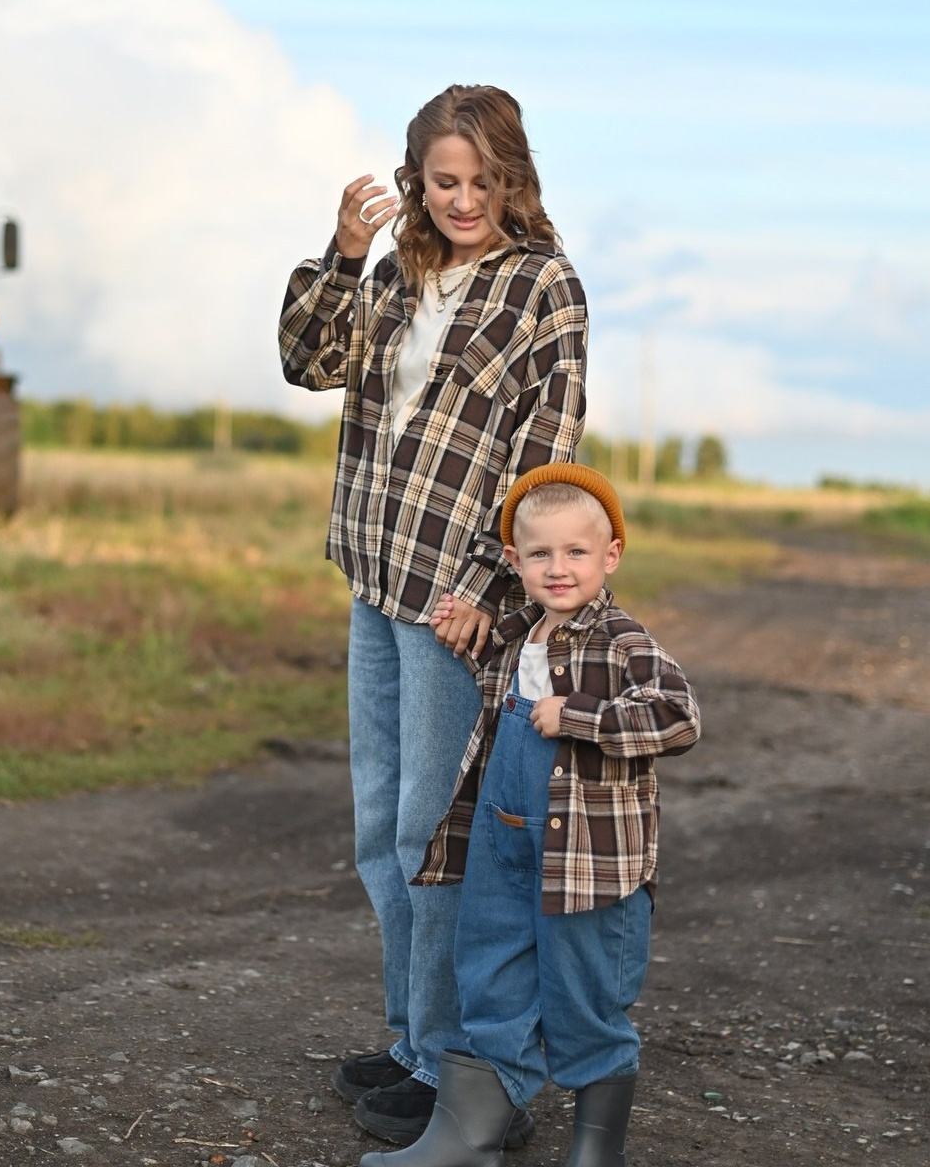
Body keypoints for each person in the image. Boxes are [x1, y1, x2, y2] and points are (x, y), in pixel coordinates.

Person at [279, 85, 588, 1146]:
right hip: (374, 573)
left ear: (513, 177)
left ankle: (461, 1066)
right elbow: (307, 363)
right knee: (379, 831)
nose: (463, 200)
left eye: (482, 181)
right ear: (416, 179)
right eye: (442, 181)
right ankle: (414, 1038)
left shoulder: (543, 285)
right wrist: (341, 251)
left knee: (433, 834)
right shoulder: (401, 271)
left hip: (454, 599)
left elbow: (546, 456)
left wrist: (493, 587)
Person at [358, 463, 699, 1167]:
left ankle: (595, 1151)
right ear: (514, 562)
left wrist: (578, 715)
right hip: (503, 844)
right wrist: (461, 626)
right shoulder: (520, 634)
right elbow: (489, 679)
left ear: (611, 556)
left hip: (588, 862)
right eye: (540, 553)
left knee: (584, 991)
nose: (559, 567)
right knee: (490, 971)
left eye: (577, 552)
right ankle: (466, 1136)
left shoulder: (623, 641)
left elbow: (678, 717)